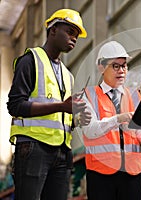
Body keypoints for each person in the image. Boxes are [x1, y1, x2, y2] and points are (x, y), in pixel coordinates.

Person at [7, 8, 91, 200]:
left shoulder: (67, 75)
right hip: (33, 149)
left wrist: (77, 120)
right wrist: (62, 106)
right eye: (70, 32)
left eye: (76, 36)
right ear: (53, 30)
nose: (74, 39)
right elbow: (15, 106)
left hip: (61, 153)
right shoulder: (30, 61)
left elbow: (60, 118)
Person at [81, 41, 141, 200]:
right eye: (116, 66)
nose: (121, 71)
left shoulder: (134, 95)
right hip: (101, 174)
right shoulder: (88, 96)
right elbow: (90, 130)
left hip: (132, 173)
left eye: (124, 66)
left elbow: (140, 137)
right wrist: (117, 119)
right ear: (101, 67)